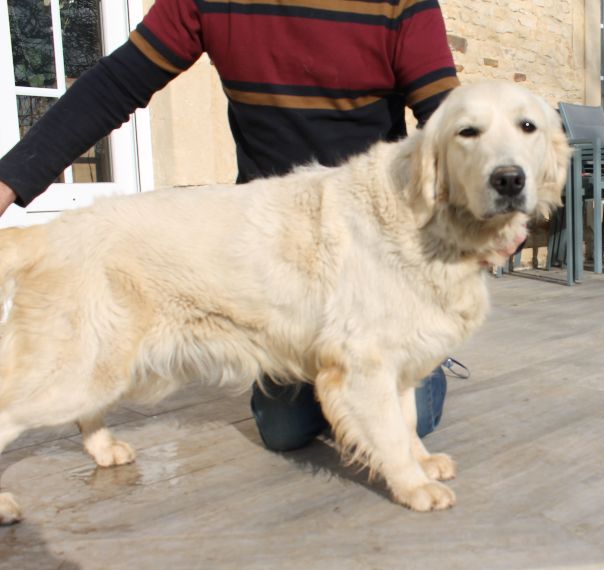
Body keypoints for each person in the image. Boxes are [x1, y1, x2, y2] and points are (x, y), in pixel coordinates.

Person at [0, 0, 460, 449]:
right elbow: (115, 84)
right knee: (286, 431)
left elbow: (449, 123)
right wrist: (8, 182)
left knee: (408, 420)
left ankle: (396, 350)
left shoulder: (401, 3)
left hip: (373, 247)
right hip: (274, 256)